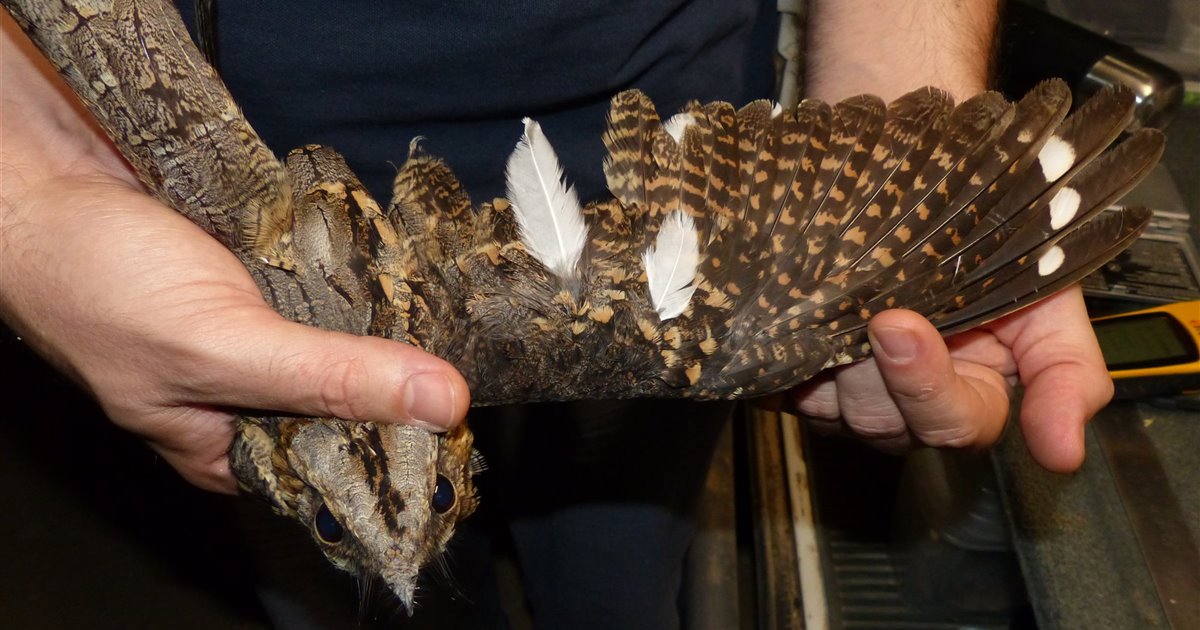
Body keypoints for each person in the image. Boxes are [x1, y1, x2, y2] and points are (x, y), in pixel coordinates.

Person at [0, 1, 1112, 627]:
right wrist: (31, 199)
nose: (404, 558)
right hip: (205, 180)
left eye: (429, 493)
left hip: (634, 138)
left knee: (628, 567)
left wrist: (909, 174)